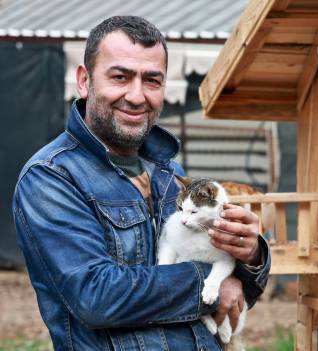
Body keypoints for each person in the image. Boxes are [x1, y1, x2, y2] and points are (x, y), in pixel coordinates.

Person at [12, 16, 270, 350]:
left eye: (152, 80)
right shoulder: (51, 178)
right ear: (84, 81)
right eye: (120, 77)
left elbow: (231, 286)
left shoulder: (166, 171)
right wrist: (209, 283)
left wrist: (248, 255)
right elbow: (97, 296)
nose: (136, 96)